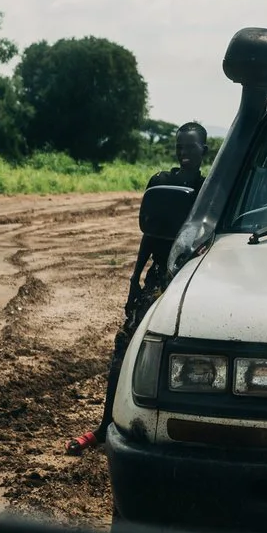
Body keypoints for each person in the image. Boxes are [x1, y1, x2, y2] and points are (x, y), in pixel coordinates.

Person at [72, 122, 209, 453]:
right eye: (180, 146)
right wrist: (136, 279)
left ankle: (178, 435)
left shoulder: (210, 192)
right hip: (157, 278)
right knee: (123, 351)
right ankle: (105, 427)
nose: (183, 153)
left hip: (189, 281)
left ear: (204, 151)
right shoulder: (160, 183)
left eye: (190, 147)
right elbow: (151, 234)